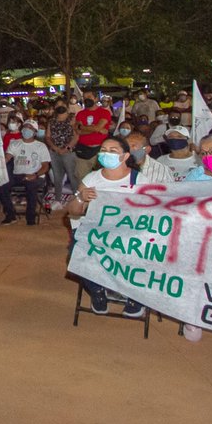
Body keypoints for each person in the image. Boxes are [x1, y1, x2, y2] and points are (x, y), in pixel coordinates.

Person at [65, 136, 154, 318]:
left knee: (146, 252)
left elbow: (153, 212)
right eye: (103, 150)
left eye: (113, 151)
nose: (106, 154)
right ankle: (97, 292)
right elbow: (73, 210)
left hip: (129, 235)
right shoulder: (93, 178)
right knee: (76, 254)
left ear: (125, 156)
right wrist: (81, 198)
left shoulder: (140, 181)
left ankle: (135, 296)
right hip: (98, 233)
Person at [0, 120, 51, 225]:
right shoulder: (15, 144)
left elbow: (46, 166)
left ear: (35, 132)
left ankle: (30, 217)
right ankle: (10, 215)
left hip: (36, 175)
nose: (27, 129)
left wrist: (35, 175)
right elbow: (7, 158)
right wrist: (0, 161)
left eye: (30, 128)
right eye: (25, 127)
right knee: (2, 185)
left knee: (31, 186)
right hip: (17, 175)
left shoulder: (41, 146)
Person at [44, 99, 80, 207]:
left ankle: (76, 198)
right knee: (57, 176)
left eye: (62, 104)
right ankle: (58, 199)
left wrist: (67, 148)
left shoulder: (72, 119)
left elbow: (76, 136)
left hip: (69, 152)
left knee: (72, 176)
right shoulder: (52, 120)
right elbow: (48, 136)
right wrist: (55, 148)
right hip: (54, 151)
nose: (60, 106)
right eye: (57, 105)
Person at [73, 90, 112, 179]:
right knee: (81, 177)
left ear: (96, 98)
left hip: (100, 150)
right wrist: (96, 129)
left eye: (89, 97)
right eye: (85, 98)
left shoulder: (104, 112)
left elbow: (93, 128)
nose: (87, 99)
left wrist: (83, 127)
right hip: (83, 150)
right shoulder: (80, 113)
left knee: (101, 177)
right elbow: (78, 131)